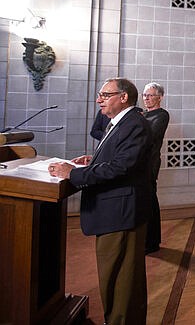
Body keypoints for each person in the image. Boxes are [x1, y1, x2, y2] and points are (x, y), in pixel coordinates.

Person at [48, 78, 152, 325]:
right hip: (114, 210)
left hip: (121, 212)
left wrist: (72, 173)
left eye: (105, 95)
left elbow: (122, 167)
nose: (99, 100)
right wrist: (92, 162)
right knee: (114, 277)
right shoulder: (120, 123)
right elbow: (118, 157)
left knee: (121, 279)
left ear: (124, 97)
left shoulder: (134, 123)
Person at [142, 82, 170, 254]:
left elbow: (150, 137)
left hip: (149, 164)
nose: (146, 98)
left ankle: (152, 242)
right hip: (139, 164)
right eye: (145, 95)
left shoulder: (162, 115)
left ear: (160, 97)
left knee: (150, 203)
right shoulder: (142, 114)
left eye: (150, 95)